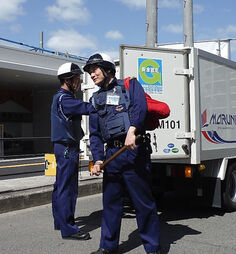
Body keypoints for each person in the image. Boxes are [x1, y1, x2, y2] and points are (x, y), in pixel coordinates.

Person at [83, 53, 161, 254]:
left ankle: (153, 248)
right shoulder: (95, 99)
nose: (92, 74)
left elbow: (140, 108)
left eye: (95, 69)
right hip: (113, 155)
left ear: (107, 68)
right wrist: (98, 159)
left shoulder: (129, 85)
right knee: (110, 202)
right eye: (90, 71)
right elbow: (95, 133)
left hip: (134, 151)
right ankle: (108, 247)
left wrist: (132, 130)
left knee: (143, 203)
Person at [50, 62, 91, 240]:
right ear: (68, 79)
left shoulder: (60, 97)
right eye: (77, 78)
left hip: (62, 147)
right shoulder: (65, 99)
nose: (79, 81)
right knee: (68, 188)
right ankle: (69, 229)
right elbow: (87, 108)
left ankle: (60, 222)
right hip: (67, 148)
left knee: (60, 185)